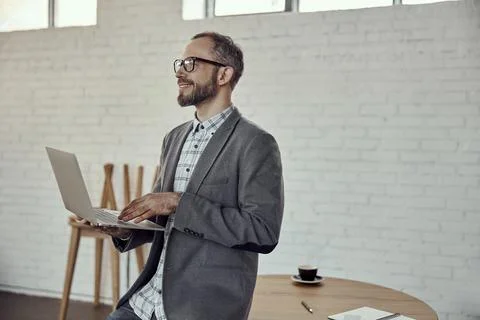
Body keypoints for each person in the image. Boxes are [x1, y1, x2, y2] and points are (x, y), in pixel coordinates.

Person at [102, 31, 284, 320]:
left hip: (200, 308)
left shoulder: (256, 143)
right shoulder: (173, 138)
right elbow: (162, 219)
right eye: (179, 64)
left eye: (191, 63)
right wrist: (125, 229)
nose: (179, 73)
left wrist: (179, 202)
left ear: (224, 74)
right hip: (145, 301)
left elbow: (262, 232)